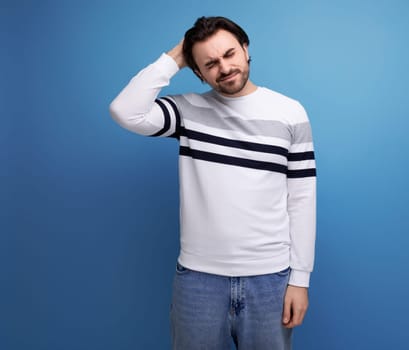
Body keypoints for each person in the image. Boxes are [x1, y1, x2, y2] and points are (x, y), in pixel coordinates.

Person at [109, 16, 316, 350]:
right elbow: (124, 111)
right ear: (198, 73)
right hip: (198, 280)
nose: (225, 67)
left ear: (246, 49)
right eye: (210, 63)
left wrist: (300, 280)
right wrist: (175, 57)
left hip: (271, 279)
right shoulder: (187, 111)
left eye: (230, 54)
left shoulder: (290, 113)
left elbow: (302, 199)